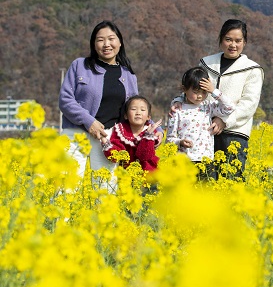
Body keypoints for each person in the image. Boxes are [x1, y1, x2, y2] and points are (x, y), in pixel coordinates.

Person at [59, 20, 152, 186]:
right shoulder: (80, 65)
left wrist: (154, 128)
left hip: (107, 138)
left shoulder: (128, 74)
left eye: (111, 39)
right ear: (94, 44)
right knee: (65, 188)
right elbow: (65, 100)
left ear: (120, 42)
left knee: (105, 192)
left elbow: (135, 107)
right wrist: (89, 122)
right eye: (100, 40)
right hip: (75, 134)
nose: (106, 44)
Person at [173, 19, 264, 178]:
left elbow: (249, 104)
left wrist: (224, 120)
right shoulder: (207, 63)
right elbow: (193, 86)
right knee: (202, 186)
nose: (233, 45)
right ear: (220, 39)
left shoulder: (253, 69)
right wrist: (178, 101)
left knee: (231, 182)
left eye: (238, 41)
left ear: (245, 42)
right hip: (203, 135)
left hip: (234, 133)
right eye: (228, 39)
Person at [166, 67, 235, 179]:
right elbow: (169, 139)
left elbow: (230, 108)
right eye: (195, 91)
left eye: (204, 92)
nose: (200, 96)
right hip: (184, 161)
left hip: (206, 160)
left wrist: (213, 91)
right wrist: (180, 142)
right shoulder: (177, 110)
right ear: (184, 89)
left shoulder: (208, 106)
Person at [102, 95, 163, 172]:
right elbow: (115, 156)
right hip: (126, 176)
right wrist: (104, 141)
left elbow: (144, 156)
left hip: (148, 176)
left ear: (148, 117)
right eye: (133, 109)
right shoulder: (120, 131)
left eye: (142, 110)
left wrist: (148, 135)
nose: (138, 113)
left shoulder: (151, 132)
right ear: (126, 116)